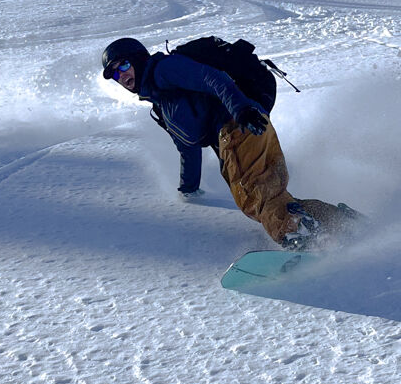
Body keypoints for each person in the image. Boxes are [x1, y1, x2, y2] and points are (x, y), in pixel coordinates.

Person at [101, 37, 356, 248]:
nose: (121, 76)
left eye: (122, 66)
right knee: (271, 194)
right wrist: (188, 189)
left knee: (256, 199)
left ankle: (301, 237)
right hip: (245, 129)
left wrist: (241, 109)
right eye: (114, 74)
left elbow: (211, 78)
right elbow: (187, 148)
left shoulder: (164, 69)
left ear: (138, 58)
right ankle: (338, 221)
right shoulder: (161, 103)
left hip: (239, 126)